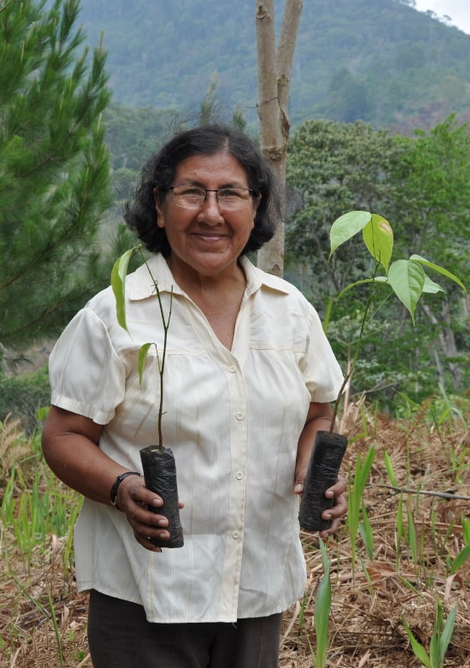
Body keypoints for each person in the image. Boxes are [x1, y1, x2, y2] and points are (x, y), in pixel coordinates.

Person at [41, 124, 348, 668]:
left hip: (254, 583)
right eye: (191, 193)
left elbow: (319, 411)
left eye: (231, 193)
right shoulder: (117, 313)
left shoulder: (288, 310)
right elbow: (65, 435)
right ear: (159, 207)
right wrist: (121, 487)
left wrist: (313, 471)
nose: (211, 213)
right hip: (146, 588)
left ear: (255, 209)